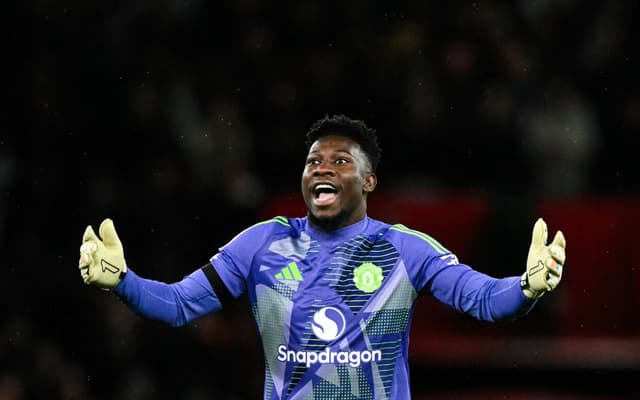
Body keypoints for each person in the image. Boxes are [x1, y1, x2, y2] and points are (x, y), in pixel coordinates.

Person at [78, 114, 566, 399]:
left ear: (368, 181)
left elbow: (482, 298)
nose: (321, 169)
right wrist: (122, 281)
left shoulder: (404, 248)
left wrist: (527, 288)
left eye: (339, 161)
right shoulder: (261, 244)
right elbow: (180, 304)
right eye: (313, 161)